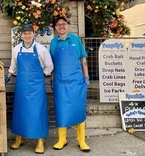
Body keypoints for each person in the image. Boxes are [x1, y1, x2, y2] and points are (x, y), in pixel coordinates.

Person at [5, 24, 53, 154]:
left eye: (29, 33)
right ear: (21, 35)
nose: (27, 36)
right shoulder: (16, 49)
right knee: (20, 112)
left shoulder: (41, 49)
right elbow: (13, 67)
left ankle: (40, 142)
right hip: (21, 87)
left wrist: (39, 76)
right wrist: (7, 77)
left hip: (37, 87)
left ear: (33, 34)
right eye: (25, 33)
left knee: (37, 113)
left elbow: (49, 66)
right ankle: (18, 139)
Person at [49, 17, 90, 152]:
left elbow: (82, 59)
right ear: (55, 27)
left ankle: (81, 141)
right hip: (60, 83)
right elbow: (52, 64)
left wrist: (86, 76)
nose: (61, 26)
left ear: (67, 26)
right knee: (61, 111)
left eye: (63, 24)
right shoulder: (54, 43)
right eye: (58, 24)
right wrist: (52, 80)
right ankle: (62, 139)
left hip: (77, 82)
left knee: (79, 110)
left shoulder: (76, 40)